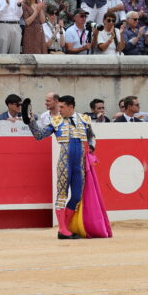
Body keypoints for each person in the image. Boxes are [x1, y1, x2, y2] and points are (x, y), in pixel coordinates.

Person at [25, 95, 109, 239]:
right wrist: (30, 121)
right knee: (62, 195)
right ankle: (62, 229)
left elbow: (91, 137)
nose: (59, 110)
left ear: (71, 107)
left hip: (80, 164)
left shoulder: (84, 119)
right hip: (65, 163)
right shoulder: (56, 121)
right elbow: (39, 135)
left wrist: (91, 147)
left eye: (62, 107)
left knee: (76, 196)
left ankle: (65, 227)